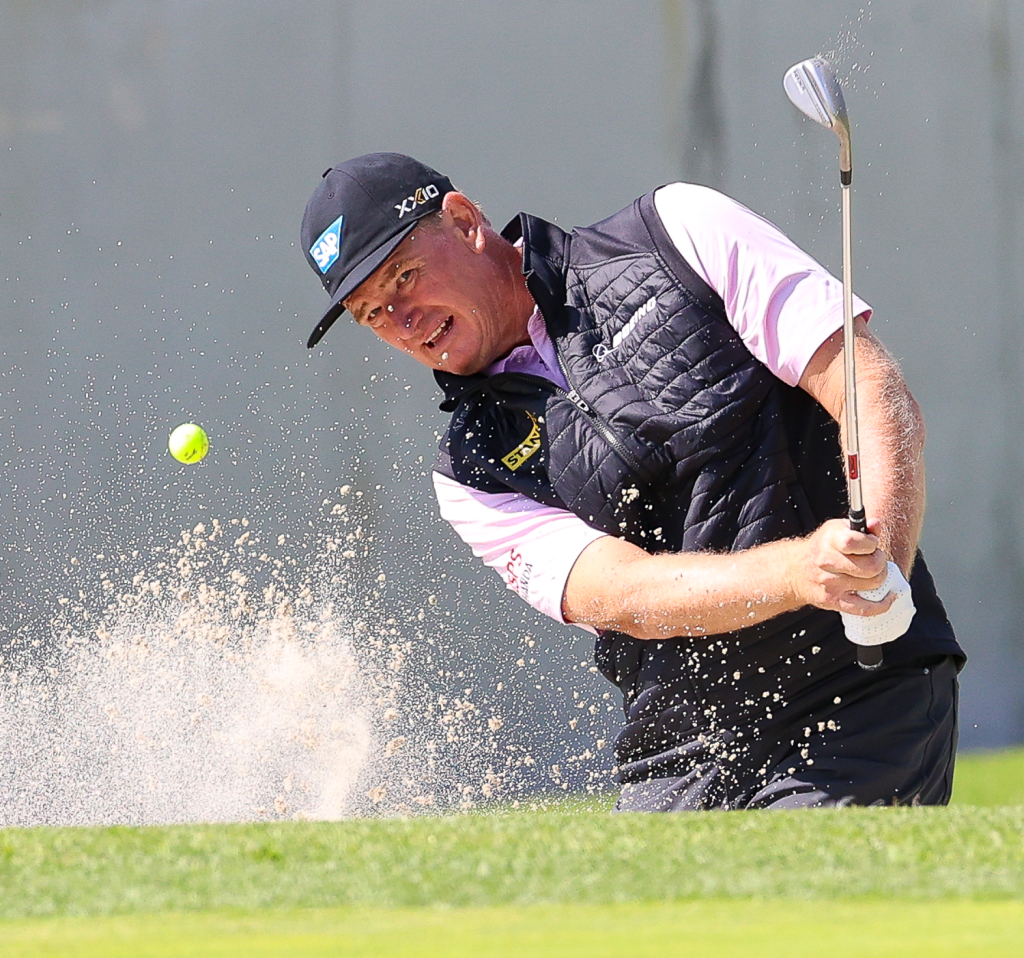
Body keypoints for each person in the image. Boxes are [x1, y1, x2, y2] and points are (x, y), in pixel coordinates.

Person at [299, 152, 964, 811]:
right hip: (679, 748)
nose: (403, 322)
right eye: (372, 314)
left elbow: (866, 386)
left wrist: (883, 565)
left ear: (466, 221)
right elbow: (620, 593)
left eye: (405, 278)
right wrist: (797, 572)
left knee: (797, 906)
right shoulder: (469, 470)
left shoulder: (676, 233)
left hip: (855, 696)